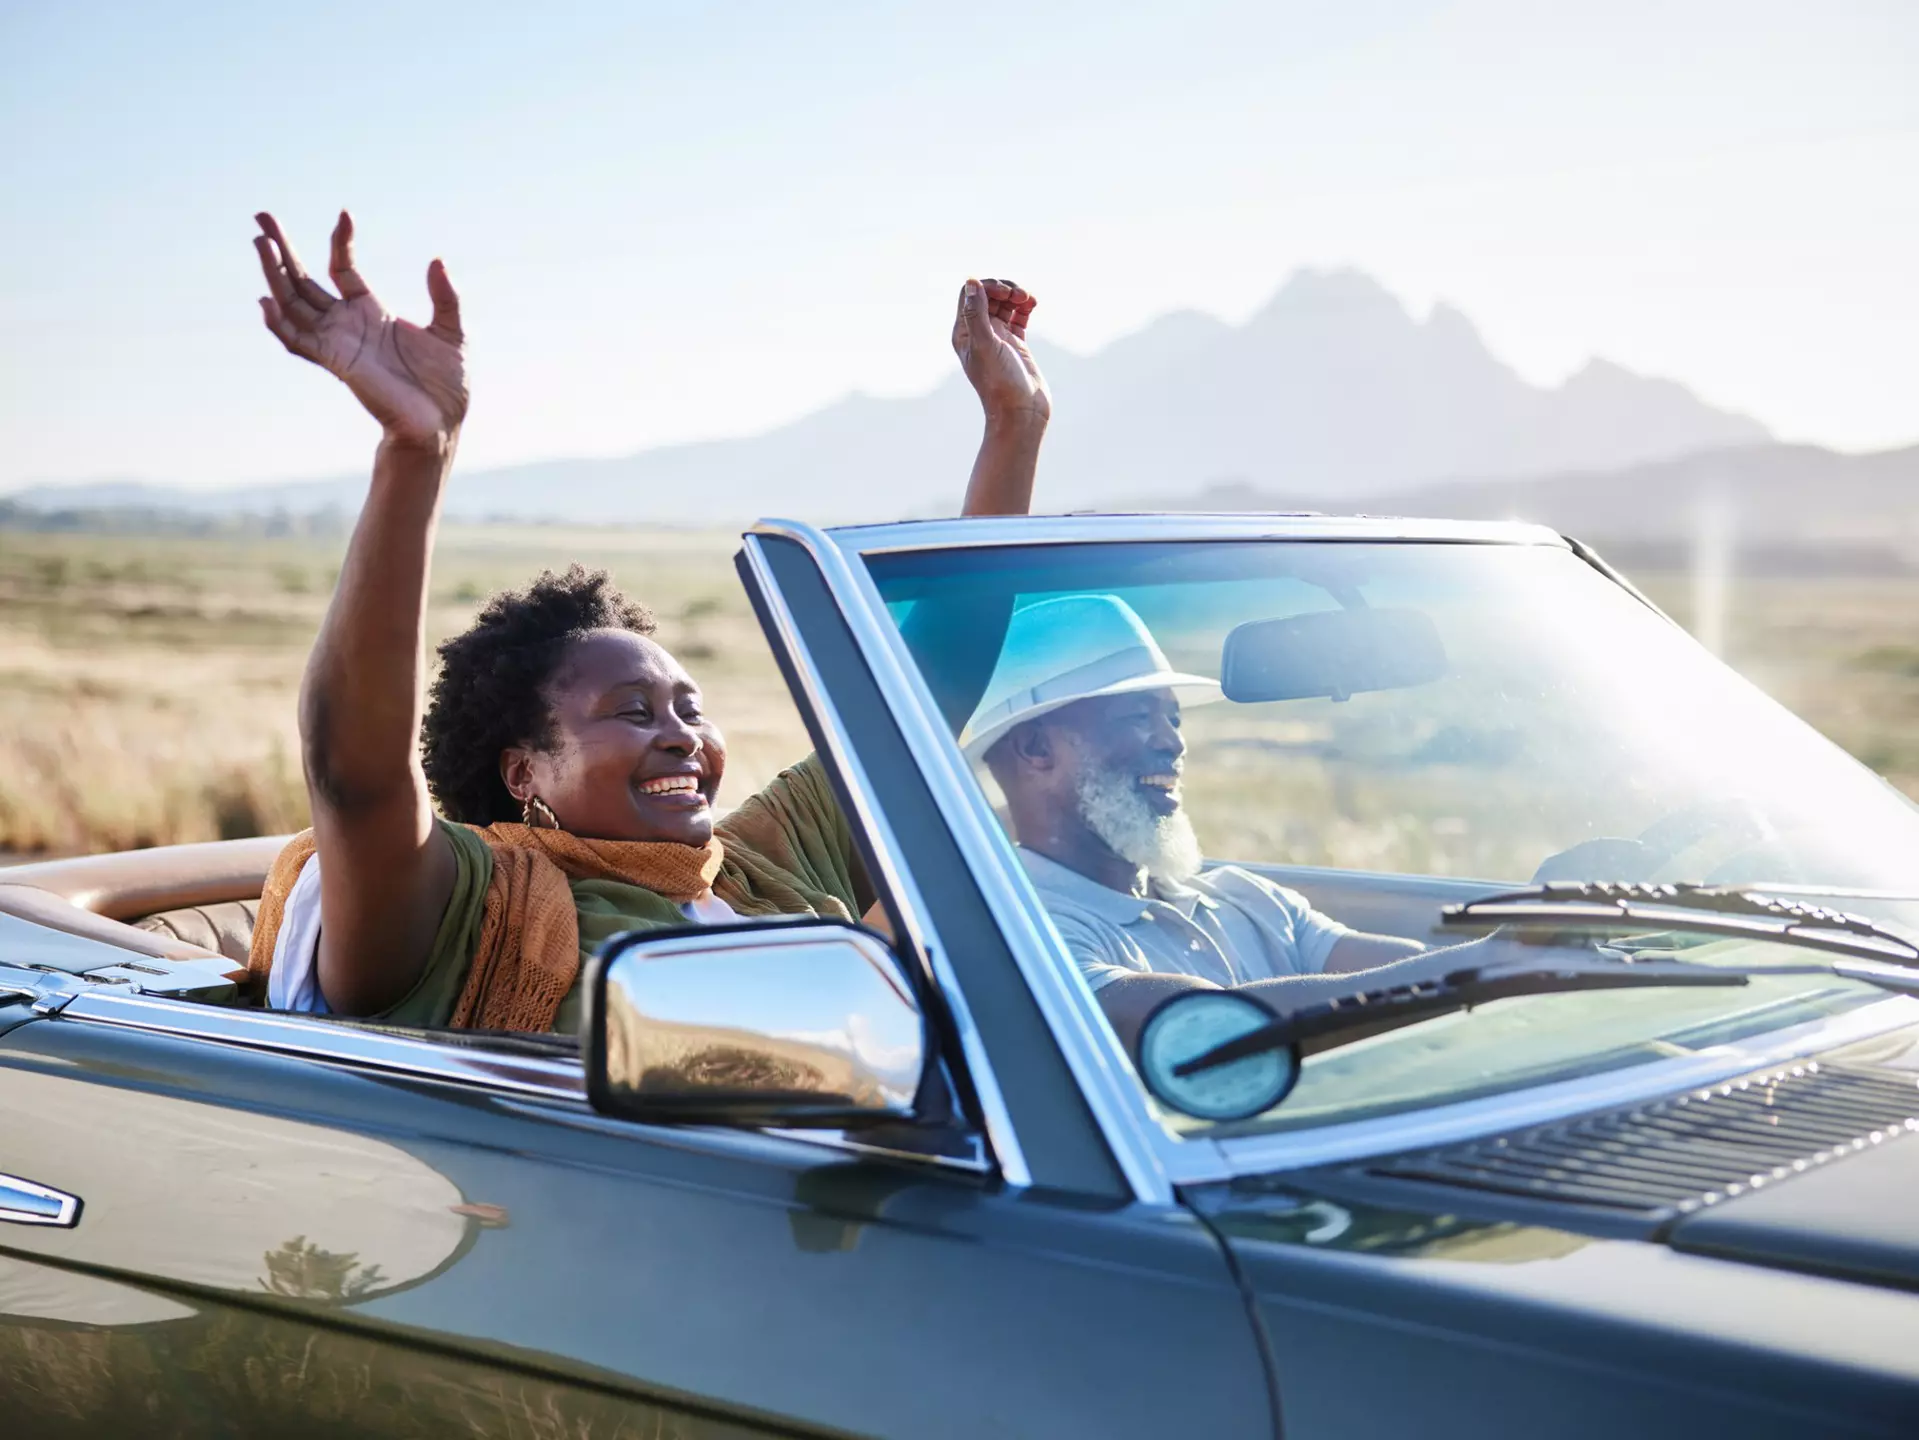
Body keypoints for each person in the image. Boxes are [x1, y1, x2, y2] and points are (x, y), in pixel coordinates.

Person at [244, 209, 1052, 1032]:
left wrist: (1013, 423)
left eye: (689, 709)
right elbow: (356, 778)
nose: (680, 735)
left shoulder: (757, 862)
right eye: (633, 712)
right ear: (523, 774)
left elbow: (928, 690)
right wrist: (417, 452)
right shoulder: (474, 905)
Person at [963, 594, 1449, 1048]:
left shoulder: (1245, 898)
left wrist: (1487, 964)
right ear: (1036, 749)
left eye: (1174, 719)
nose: (1172, 743)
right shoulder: (1020, 931)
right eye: (1137, 717)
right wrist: (1481, 964)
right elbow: (1208, 1023)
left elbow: (1395, 967)